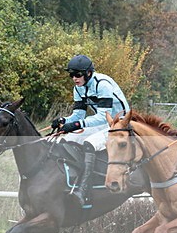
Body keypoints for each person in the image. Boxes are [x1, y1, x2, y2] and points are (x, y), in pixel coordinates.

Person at [52, 54, 130, 207]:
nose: (74, 78)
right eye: (71, 75)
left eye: (78, 74)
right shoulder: (78, 88)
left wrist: (76, 125)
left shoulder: (103, 84)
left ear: (88, 73)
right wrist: (64, 121)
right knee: (66, 139)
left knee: (89, 143)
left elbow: (102, 116)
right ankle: (69, 181)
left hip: (120, 124)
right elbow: (79, 115)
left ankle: (84, 190)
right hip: (105, 122)